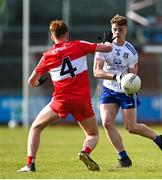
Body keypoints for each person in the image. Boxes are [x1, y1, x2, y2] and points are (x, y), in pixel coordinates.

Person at [17, 19, 112, 172]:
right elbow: (106, 49)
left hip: (61, 101)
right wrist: (108, 41)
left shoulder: (47, 56)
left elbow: (31, 81)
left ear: (52, 35)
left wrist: (39, 82)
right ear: (67, 34)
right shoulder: (79, 45)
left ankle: (30, 164)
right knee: (93, 134)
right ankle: (85, 152)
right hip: (82, 100)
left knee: (35, 127)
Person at [93, 14, 162, 168]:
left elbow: (132, 76)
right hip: (109, 88)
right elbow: (97, 71)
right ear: (111, 29)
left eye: (120, 30)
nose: (117, 32)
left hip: (125, 91)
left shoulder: (131, 52)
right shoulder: (103, 47)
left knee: (131, 127)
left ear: (126, 30)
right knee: (107, 122)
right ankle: (124, 158)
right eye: (114, 29)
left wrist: (127, 83)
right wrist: (116, 77)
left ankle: (159, 139)